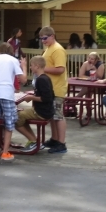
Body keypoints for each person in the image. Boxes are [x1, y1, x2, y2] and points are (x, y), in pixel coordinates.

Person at [15, 56, 55, 152]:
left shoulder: (41, 80)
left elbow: (47, 98)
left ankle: (33, 141)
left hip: (41, 112)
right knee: (21, 115)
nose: (30, 67)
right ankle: (36, 141)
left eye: (31, 65)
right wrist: (33, 94)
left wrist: (31, 97)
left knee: (15, 118)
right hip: (44, 110)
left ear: (37, 66)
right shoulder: (46, 78)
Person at [38, 26, 68, 154]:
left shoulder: (57, 50)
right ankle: (55, 139)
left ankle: (61, 143)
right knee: (52, 115)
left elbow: (60, 69)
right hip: (50, 88)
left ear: (52, 36)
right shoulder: (49, 49)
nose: (43, 41)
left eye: (45, 38)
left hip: (57, 88)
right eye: (41, 39)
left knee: (58, 115)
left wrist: (43, 70)